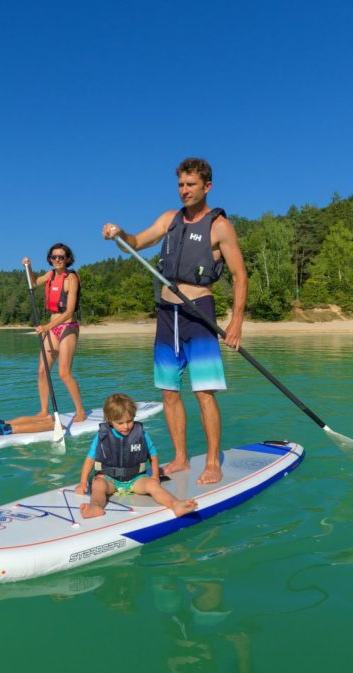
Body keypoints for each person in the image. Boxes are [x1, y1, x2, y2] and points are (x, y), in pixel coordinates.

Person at [102, 158, 248, 485]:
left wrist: (236, 321)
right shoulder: (169, 219)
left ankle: (212, 461)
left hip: (199, 313)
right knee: (169, 392)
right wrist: (118, 234)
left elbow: (240, 276)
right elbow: (135, 243)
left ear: (206, 187)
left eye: (191, 185)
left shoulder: (220, 227)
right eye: (181, 185)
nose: (184, 190)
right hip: (167, 315)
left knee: (204, 392)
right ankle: (181, 458)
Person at [76, 393, 198, 519]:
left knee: (153, 485)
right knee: (98, 486)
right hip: (109, 479)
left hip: (136, 480)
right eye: (120, 422)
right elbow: (90, 459)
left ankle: (175, 504)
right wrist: (83, 482)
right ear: (109, 420)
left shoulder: (140, 434)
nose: (126, 426)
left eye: (129, 421)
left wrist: (155, 476)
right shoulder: (102, 437)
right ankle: (95, 506)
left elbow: (153, 455)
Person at [21, 243, 87, 422]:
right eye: (54, 257)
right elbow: (33, 283)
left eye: (61, 257)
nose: (57, 260)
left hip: (68, 328)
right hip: (52, 328)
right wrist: (28, 267)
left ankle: (80, 411)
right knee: (42, 371)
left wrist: (46, 328)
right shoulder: (50, 275)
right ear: (50, 259)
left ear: (67, 259)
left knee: (63, 373)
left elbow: (69, 311)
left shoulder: (71, 278)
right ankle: (44, 411)